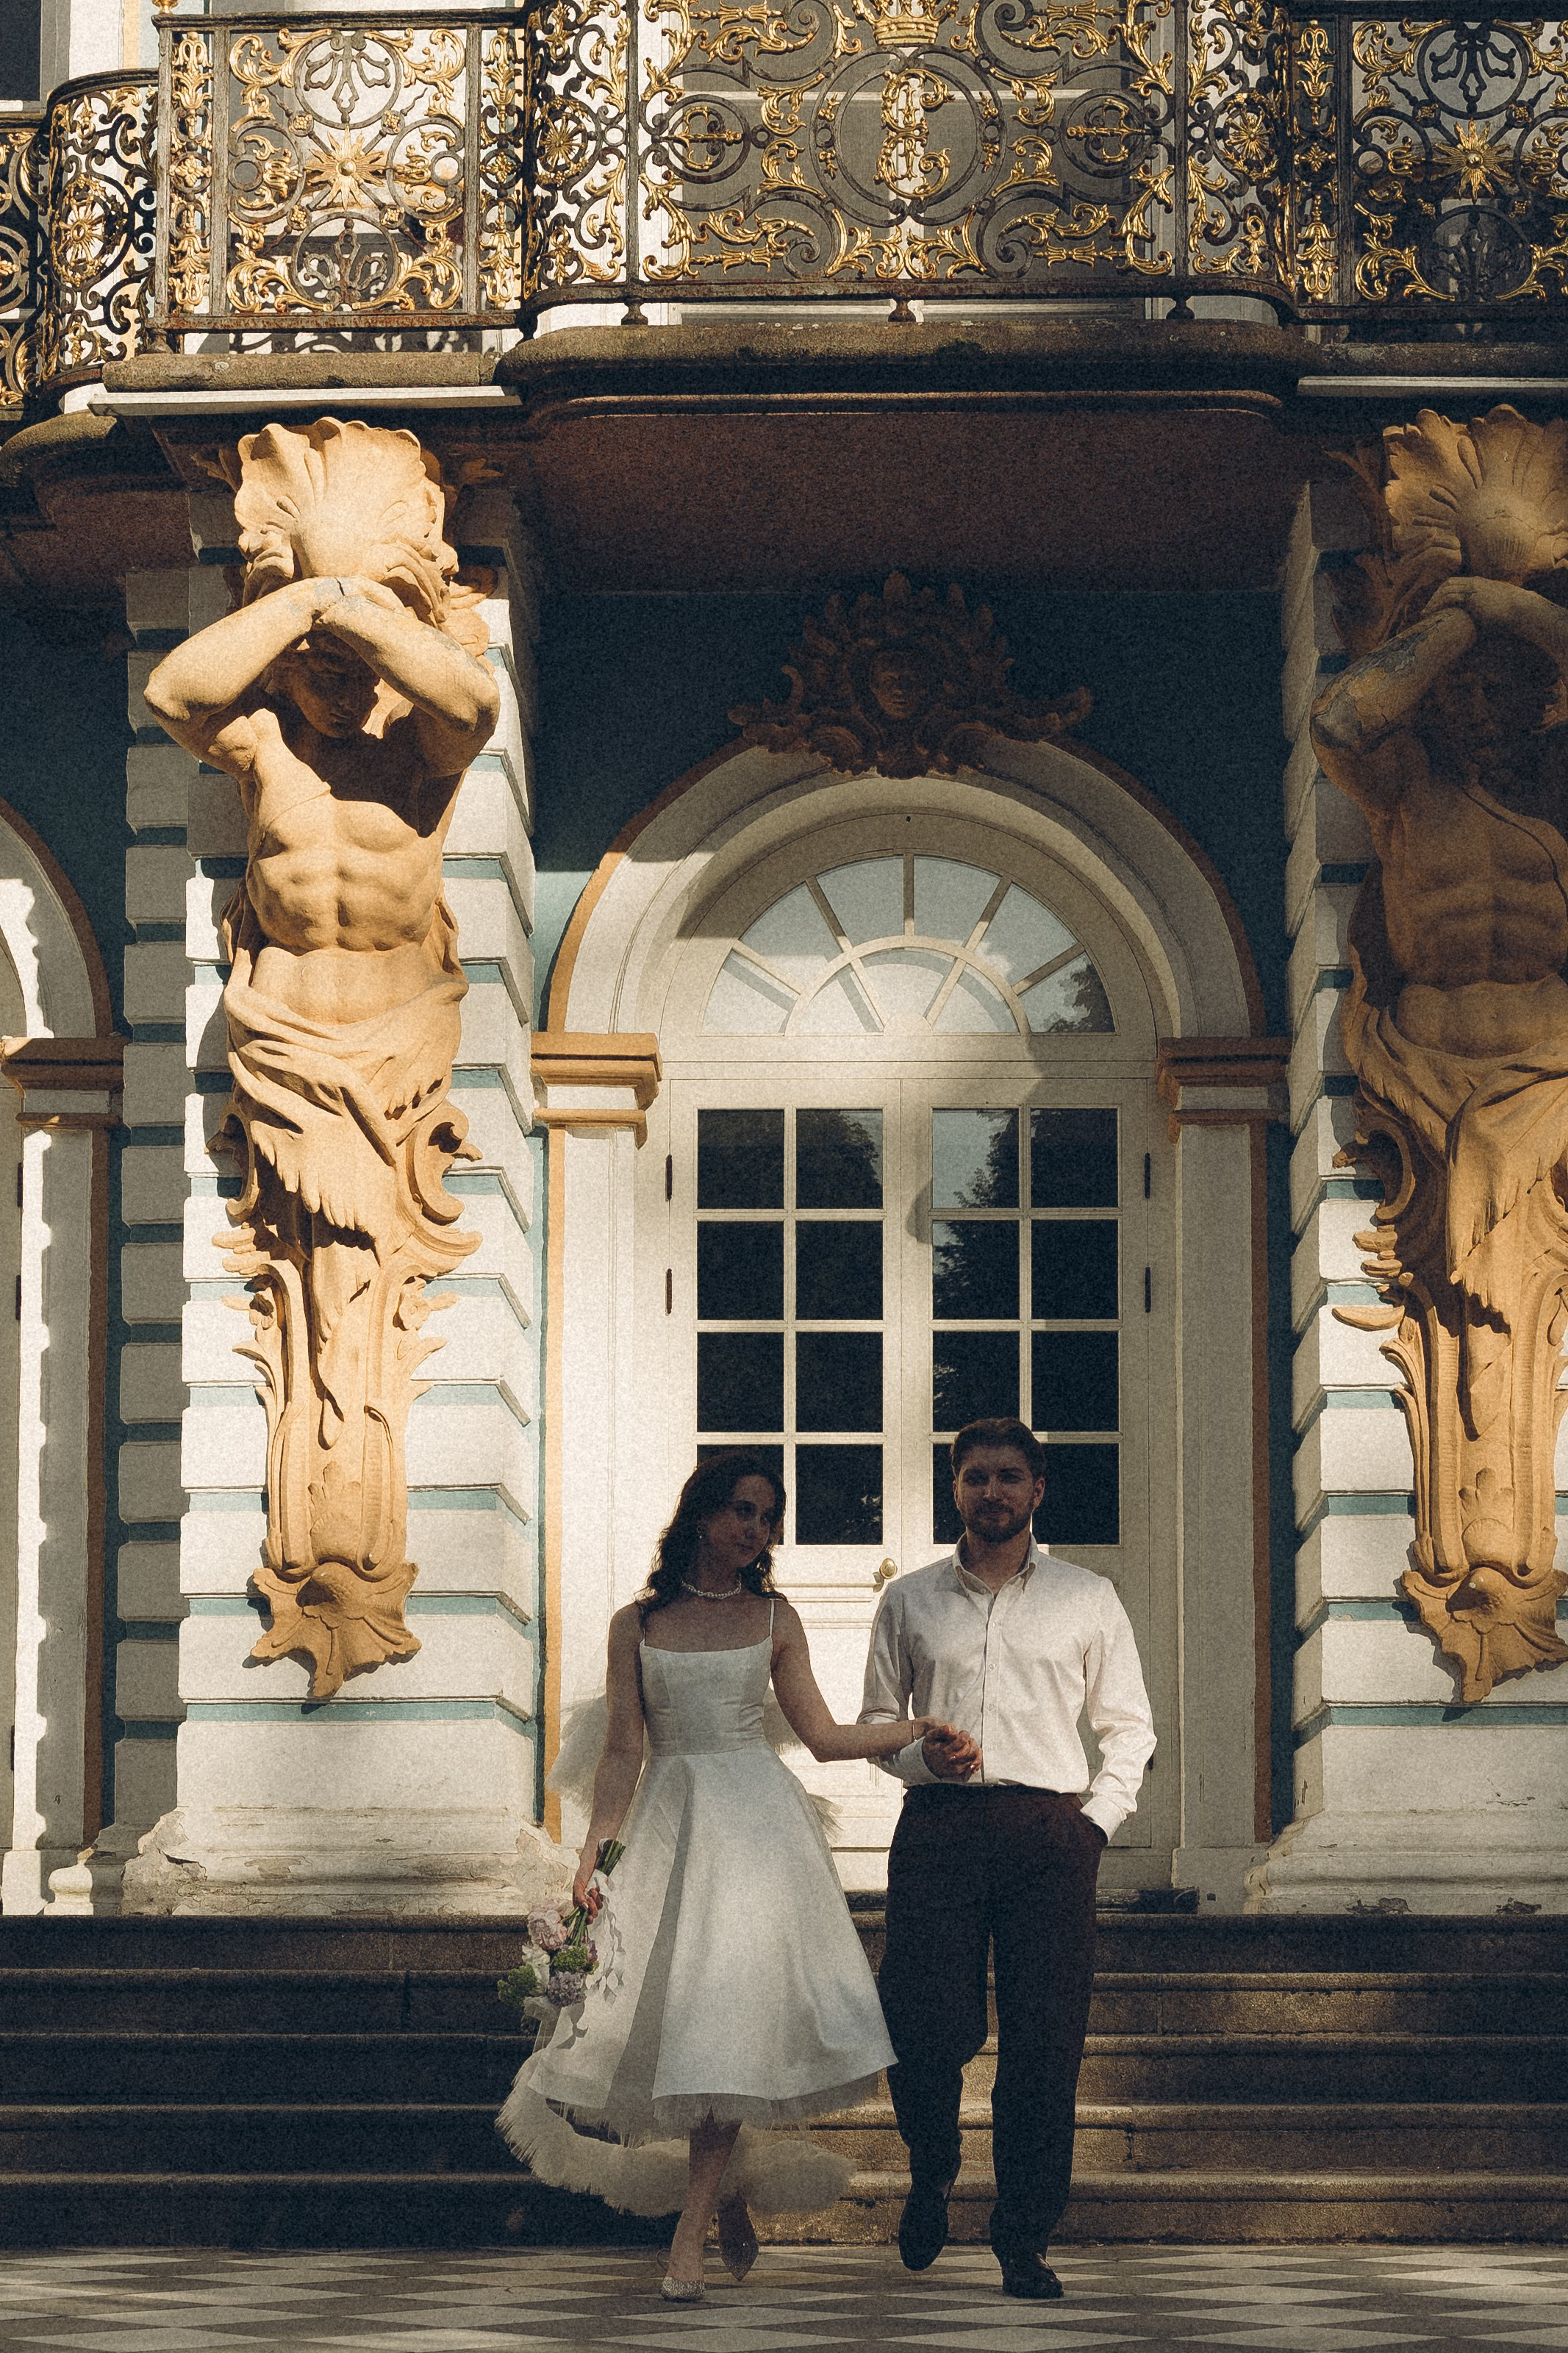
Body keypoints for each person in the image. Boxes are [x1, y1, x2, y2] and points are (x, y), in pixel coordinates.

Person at [497, 1451, 973, 2301]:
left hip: (757, 1832)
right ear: (701, 1515)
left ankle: (689, 2228)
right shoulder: (635, 1623)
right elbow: (622, 1752)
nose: (756, 1530)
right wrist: (592, 1858)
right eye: (743, 1511)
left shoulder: (776, 1615)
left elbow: (824, 1735)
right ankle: (719, 2201)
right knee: (682, 2030)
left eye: (767, 1517)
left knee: (724, 2025)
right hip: (671, 1825)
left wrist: (918, 1732)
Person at [859, 1417, 1156, 2302]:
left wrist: (1094, 1823)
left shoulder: (1088, 1597)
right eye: (976, 1475)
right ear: (955, 1486)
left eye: (1010, 1476)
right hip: (939, 1831)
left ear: (1038, 1488)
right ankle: (934, 2163)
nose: (993, 1491)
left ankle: (1022, 2235)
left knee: (1045, 2043)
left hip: (1049, 1836)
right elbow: (878, 1726)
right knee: (919, 2024)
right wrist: (920, 1758)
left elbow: (1129, 1727)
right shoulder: (909, 1599)